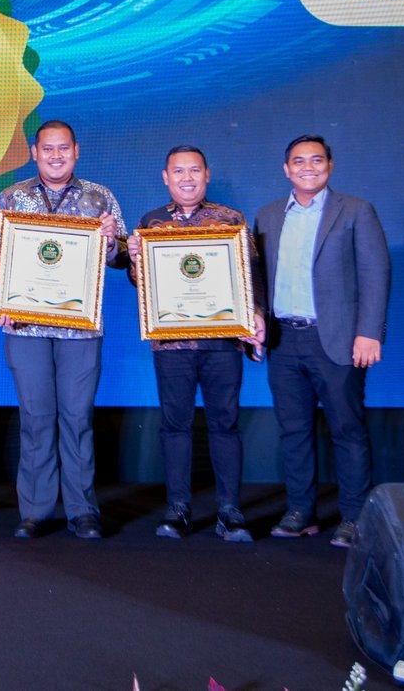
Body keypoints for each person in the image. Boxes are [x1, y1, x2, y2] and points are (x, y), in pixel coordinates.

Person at [0, 120, 126, 540]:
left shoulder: (100, 197)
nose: (56, 155)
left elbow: (121, 259)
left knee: (77, 418)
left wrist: (112, 240)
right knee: (36, 418)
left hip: (80, 328)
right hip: (25, 326)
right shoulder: (12, 197)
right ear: (34, 152)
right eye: (48, 148)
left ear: (76, 151)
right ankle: (36, 510)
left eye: (64, 148)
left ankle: (82, 511)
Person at [253, 135, 390, 549]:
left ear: (329, 165)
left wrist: (370, 332)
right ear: (286, 169)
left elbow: (376, 273)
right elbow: (257, 278)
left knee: (347, 430)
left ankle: (354, 517)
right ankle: (301, 512)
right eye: (299, 161)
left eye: (316, 160)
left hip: (338, 340)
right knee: (293, 431)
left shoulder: (356, 211)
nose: (307, 167)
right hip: (283, 340)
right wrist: (255, 316)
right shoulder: (268, 215)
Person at [126, 146, 265, 543]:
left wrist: (256, 313)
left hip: (223, 340)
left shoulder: (231, 220)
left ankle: (230, 510)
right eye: (178, 171)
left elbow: (252, 273)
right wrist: (135, 259)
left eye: (194, 170)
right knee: (175, 425)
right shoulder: (150, 222)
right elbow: (142, 284)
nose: (186, 178)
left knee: (225, 423)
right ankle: (178, 508)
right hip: (172, 343)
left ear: (207, 175)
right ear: (165, 177)